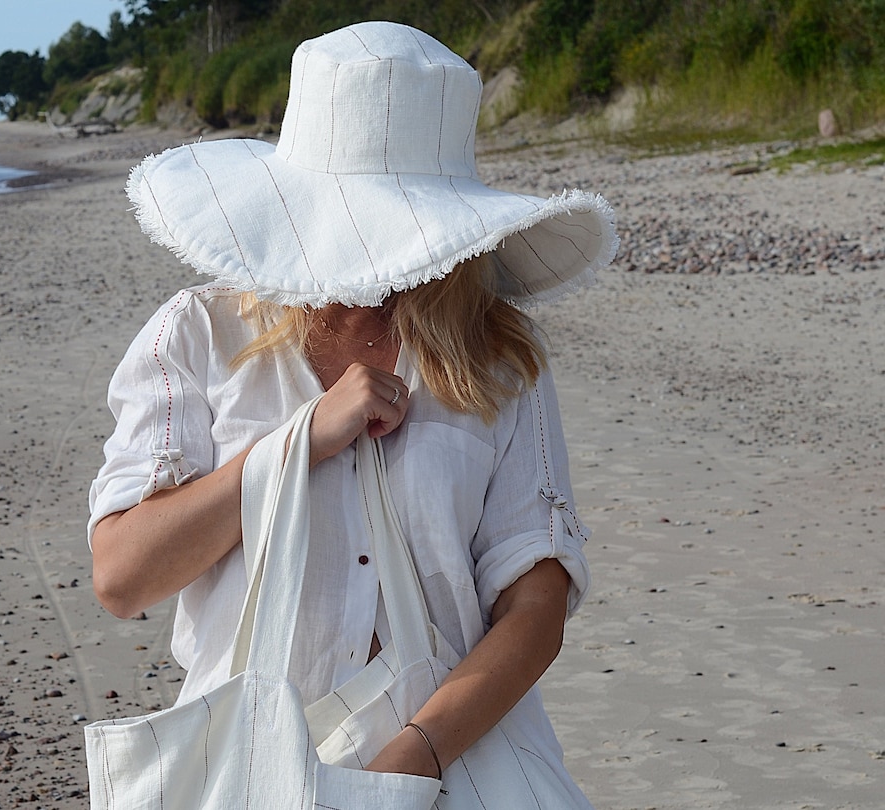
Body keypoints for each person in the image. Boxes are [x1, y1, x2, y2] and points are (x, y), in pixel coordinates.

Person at [88, 20, 617, 803]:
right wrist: (299, 443)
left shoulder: (497, 357)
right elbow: (123, 576)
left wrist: (412, 760)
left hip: (460, 766)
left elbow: (535, 605)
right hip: (251, 771)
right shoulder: (200, 334)